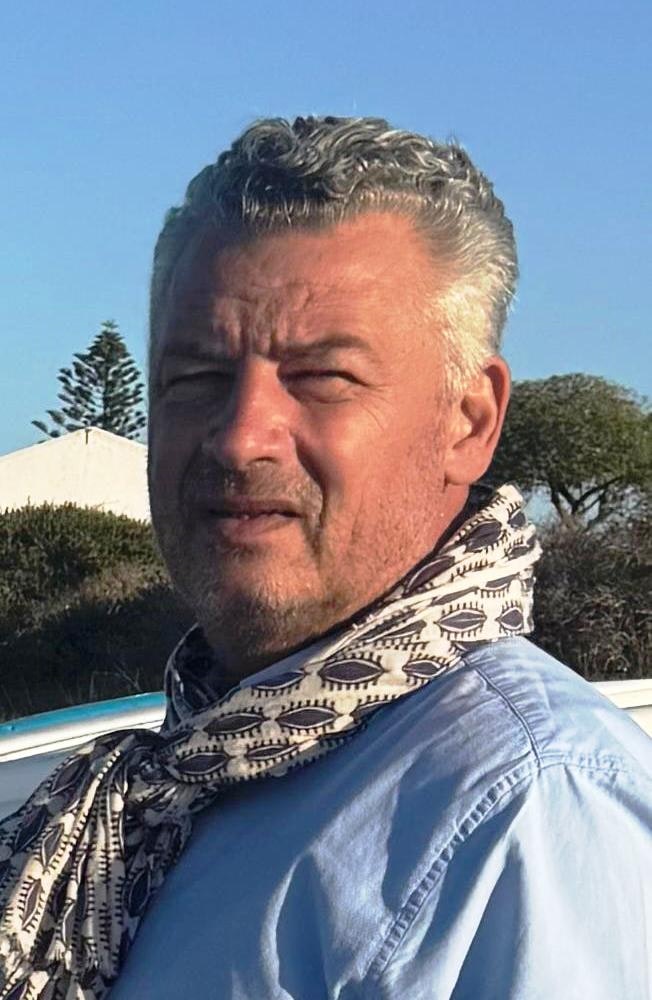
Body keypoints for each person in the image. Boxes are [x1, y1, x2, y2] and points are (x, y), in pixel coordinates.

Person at [0, 116, 650, 1000]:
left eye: (322, 378)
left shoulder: (532, 813)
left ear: (469, 422)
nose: (240, 438)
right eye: (196, 379)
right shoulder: (167, 785)